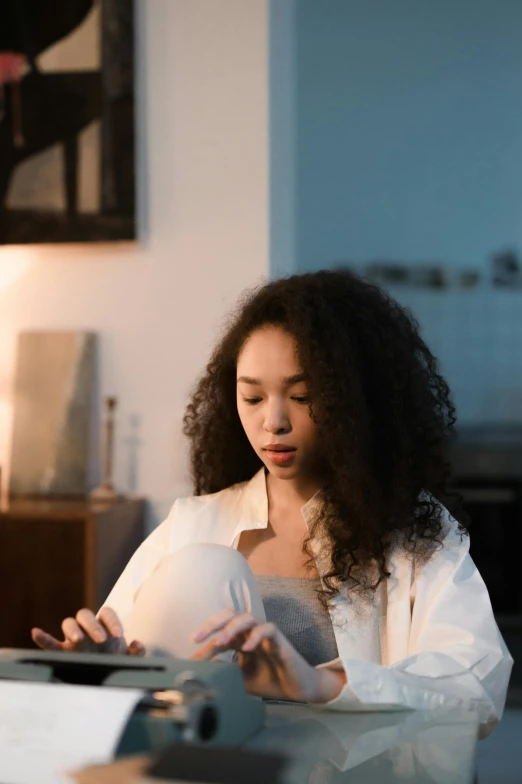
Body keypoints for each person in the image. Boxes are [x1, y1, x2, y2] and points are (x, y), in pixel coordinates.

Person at [32, 268, 513, 738]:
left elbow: (475, 687)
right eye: (252, 397)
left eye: (302, 396)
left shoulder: (411, 533)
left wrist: (320, 684)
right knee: (205, 567)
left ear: (355, 402)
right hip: (212, 770)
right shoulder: (194, 525)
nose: (274, 422)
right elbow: (138, 671)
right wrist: (114, 664)